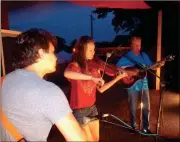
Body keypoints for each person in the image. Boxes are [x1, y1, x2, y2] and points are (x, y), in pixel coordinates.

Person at [1, 28, 87, 141]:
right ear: (41, 53)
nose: (56, 57)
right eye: (52, 52)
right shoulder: (49, 91)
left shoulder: (4, 79)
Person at [64, 36, 127, 141]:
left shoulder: (95, 67)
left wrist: (117, 78)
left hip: (92, 109)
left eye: (94, 49)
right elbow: (67, 73)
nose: (93, 52)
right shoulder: (75, 65)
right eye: (90, 50)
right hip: (80, 111)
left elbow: (101, 89)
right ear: (82, 50)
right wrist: (91, 78)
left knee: (95, 139)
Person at [116, 36, 165, 134]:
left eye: (140, 45)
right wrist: (128, 72)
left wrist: (159, 64)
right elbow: (117, 67)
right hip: (131, 84)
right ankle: (133, 127)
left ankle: (146, 128)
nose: (139, 47)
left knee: (146, 106)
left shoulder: (143, 55)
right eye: (136, 45)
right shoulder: (126, 56)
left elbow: (151, 67)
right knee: (133, 107)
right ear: (131, 45)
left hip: (144, 84)